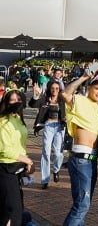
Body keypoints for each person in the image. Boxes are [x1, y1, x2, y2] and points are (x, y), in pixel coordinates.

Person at [63, 48, 98, 225]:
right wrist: (85, 76)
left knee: (83, 205)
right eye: (97, 88)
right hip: (81, 159)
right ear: (90, 88)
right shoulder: (80, 100)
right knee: (81, 206)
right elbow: (66, 93)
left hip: (91, 161)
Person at [0, 90, 34, 226]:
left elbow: (19, 145)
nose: (16, 103)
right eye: (12, 100)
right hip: (5, 169)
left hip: (17, 168)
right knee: (13, 209)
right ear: (6, 102)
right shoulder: (3, 121)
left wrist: (26, 161)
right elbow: (4, 149)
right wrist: (27, 160)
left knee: (13, 210)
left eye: (18, 100)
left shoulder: (18, 119)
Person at [30, 79, 66, 189]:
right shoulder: (45, 99)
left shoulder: (62, 100)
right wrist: (36, 95)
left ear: (59, 89)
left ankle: (56, 170)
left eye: (57, 88)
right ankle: (45, 179)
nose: (55, 90)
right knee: (45, 151)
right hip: (48, 126)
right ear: (49, 89)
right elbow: (33, 104)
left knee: (58, 153)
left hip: (59, 127)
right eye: (52, 88)